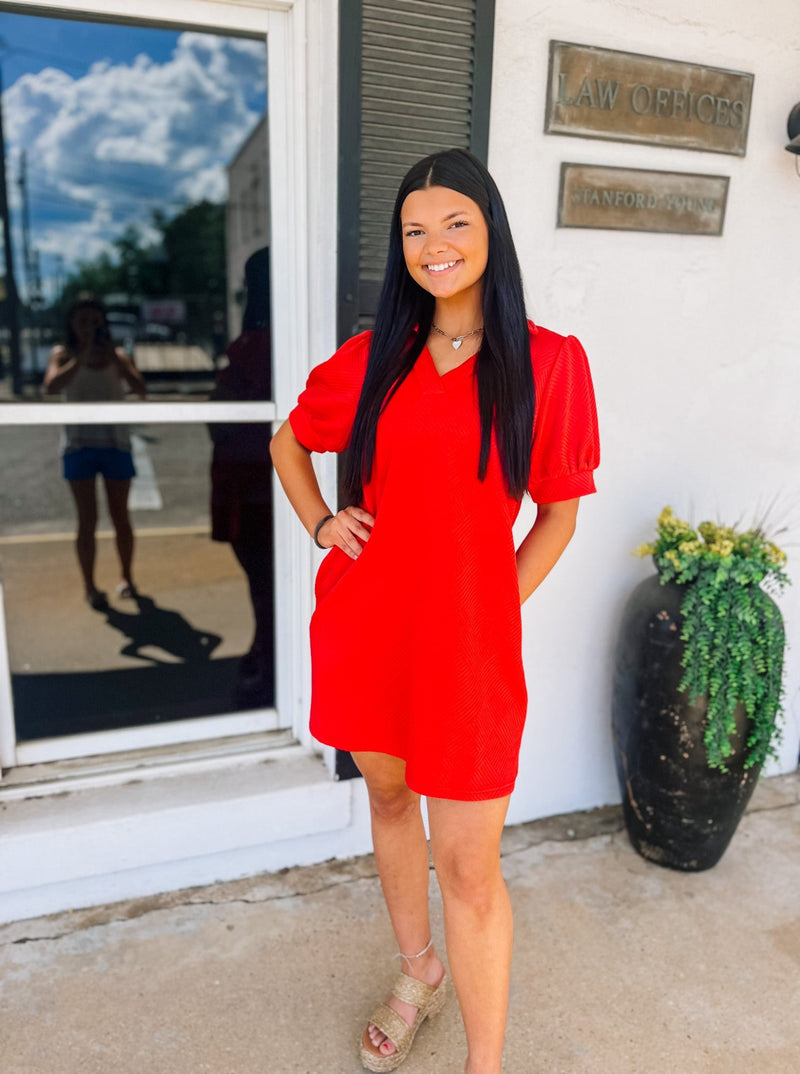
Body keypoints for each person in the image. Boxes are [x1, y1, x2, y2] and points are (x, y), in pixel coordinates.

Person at [270, 148, 599, 1074]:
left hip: (467, 654)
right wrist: (325, 524)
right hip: (366, 628)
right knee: (386, 795)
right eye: (415, 231)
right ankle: (419, 973)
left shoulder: (547, 364)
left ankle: (482, 1066)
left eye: (454, 222)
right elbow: (288, 443)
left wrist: (488, 608)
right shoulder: (381, 355)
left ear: (490, 229)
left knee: (468, 867)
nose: (434, 244)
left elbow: (559, 515)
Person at [44, 298, 147, 609]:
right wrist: (82, 356)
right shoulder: (62, 354)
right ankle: (89, 585)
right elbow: (50, 386)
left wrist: (115, 360)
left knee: (121, 517)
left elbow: (141, 389)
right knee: (86, 520)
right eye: (82, 322)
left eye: (95, 322)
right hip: (79, 445)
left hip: (115, 443)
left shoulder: (118, 355)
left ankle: (127, 577)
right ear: (72, 326)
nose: (89, 327)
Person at [209, 248, 274, 708]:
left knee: (267, 587)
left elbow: (220, 421)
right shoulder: (258, 346)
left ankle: (268, 666)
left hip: (257, 490)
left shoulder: (259, 347)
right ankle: (267, 658)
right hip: (251, 487)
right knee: (268, 586)